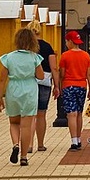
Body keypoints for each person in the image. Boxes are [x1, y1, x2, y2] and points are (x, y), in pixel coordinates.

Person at [0, 27, 45, 167]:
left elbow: (1, 80)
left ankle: (15, 144)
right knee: (26, 126)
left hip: (13, 90)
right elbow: (41, 76)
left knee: (14, 123)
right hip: (29, 90)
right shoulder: (34, 57)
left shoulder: (9, 57)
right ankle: (24, 157)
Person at [58, 30, 90, 151]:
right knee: (78, 113)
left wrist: (58, 86)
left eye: (67, 41)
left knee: (71, 114)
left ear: (70, 41)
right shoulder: (86, 55)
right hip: (82, 86)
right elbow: (89, 75)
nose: (66, 43)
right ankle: (78, 138)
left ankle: (73, 141)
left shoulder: (65, 56)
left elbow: (61, 73)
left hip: (68, 86)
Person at [29, 21, 58, 153]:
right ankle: (40, 144)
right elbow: (54, 68)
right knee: (41, 114)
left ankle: (29, 145)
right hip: (45, 82)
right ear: (40, 31)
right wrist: (57, 86)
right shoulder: (47, 47)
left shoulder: (27, 48)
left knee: (29, 115)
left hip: (28, 82)